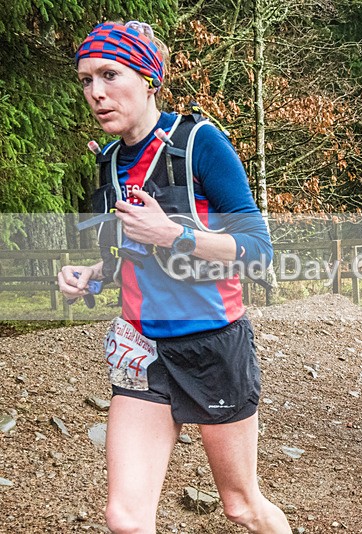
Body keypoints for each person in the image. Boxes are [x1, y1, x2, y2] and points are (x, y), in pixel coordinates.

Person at [58, 21, 291, 533]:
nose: (95, 92)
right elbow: (128, 254)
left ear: (148, 78)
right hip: (143, 349)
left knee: (241, 506)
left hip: (213, 347)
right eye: (85, 80)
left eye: (109, 74)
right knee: (125, 518)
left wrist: (175, 236)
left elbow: (260, 252)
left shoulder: (200, 143)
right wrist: (92, 275)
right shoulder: (112, 161)